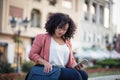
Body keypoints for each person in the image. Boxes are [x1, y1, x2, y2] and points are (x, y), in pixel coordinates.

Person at [29, 12, 88, 80]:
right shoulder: (41, 37)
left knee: (83, 74)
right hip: (49, 69)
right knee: (75, 75)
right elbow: (32, 54)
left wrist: (75, 65)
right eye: (60, 27)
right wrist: (45, 63)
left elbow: (71, 62)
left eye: (64, 29)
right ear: (54, 24)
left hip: (63, 70)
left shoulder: (68, 43)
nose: (61, 31)